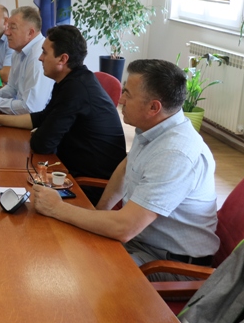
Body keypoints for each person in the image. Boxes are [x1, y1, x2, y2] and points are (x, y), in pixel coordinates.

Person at [32, 59, 219, 280]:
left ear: (153, 107)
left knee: (78, 272)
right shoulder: (154, 128)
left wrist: (57, 208)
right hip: (141, 243)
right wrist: (98, 212)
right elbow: (126, 166)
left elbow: (125, 228)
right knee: (59, 245)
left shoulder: (175, 153)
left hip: (169, 264)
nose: (120, 100)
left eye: (128, 94)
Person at [0, 25, 126, 192]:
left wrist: (40, 131)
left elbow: (42, 144)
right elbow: (41, 118)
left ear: (62, 59)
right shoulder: (72, 81)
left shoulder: (76, 89)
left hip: (87, 186)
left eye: (45, 53)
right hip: (67, 169)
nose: (40, 58)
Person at [0, 6, 53, 114]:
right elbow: (12, 88)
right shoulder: (18, 51)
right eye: (8, 27)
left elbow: (30, 108)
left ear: (30, 33)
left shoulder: (38, 58)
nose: (6, 32)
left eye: (12, 28)